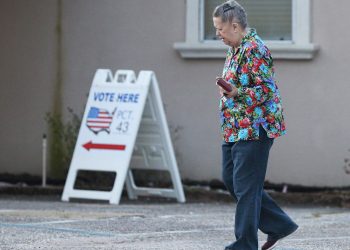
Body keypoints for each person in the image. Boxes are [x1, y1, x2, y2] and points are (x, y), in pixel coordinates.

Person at [212, 1, 299, 250]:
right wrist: (228, 89)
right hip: (234, 127)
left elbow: (265, 91)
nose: (217, 34)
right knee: (232, 179)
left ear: (235, 26)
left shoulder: (254, 49)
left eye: (220, 29)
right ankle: (279, 224)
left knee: (246, 187)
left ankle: (245, 244)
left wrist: (236, 92)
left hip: (255, 127)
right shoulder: (235, 48)